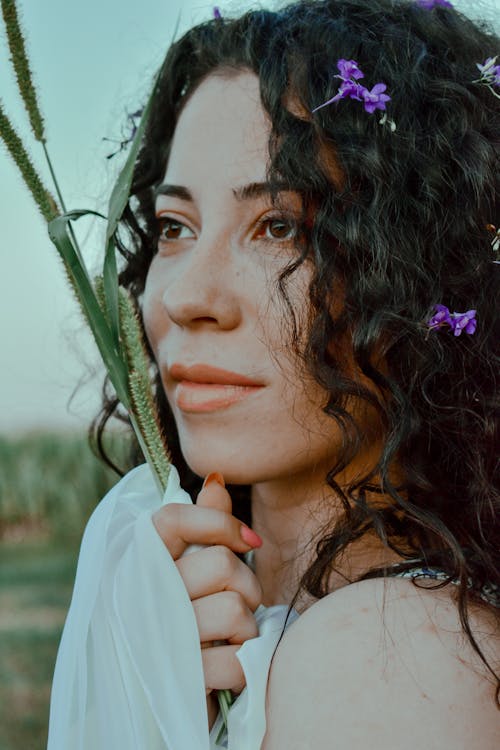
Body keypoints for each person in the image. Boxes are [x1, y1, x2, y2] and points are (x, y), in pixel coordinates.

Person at [48, 1, 500, 748]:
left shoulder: (384, 660)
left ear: (421, 271)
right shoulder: (226, 631)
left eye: (280, 225)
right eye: (174, 228)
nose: (189, 296)